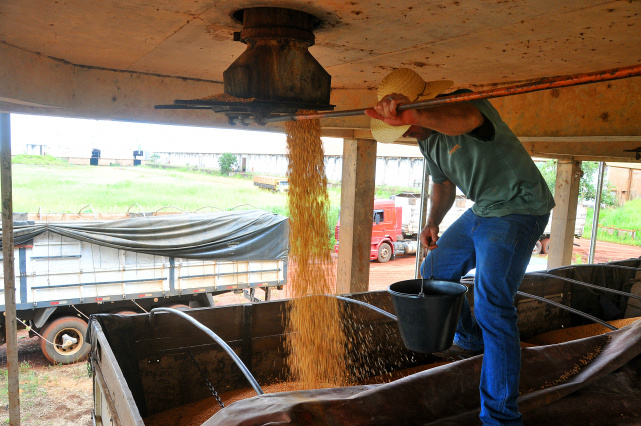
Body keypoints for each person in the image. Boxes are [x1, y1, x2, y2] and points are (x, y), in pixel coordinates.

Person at [365, 68, 555, 426]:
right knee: (434, 271)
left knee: (493, 306)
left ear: (418, 106)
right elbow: (443, 185)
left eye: (407, 124)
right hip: (484, 208)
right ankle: (471, 339)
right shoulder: (425, 139)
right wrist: (433, 219)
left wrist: (413, 112)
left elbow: (467, 120)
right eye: (402, 128)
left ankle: (501, 417)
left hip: (519, 207)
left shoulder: (461, 102)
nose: (408, 132)